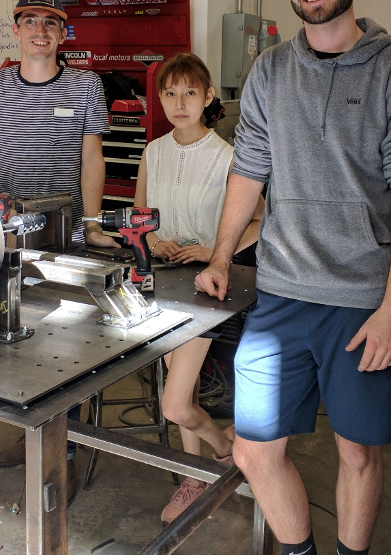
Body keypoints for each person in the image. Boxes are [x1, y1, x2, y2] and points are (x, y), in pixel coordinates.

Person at [196, 0, 391, 555]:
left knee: (357, 452)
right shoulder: (271, 71)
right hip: (281, 295)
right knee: (253, 449)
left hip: (361, 301)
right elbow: (249, 169)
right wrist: (221, 256)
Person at [0, 0, 120, 506]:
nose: (40, 31)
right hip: (10, 237)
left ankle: (63, 454)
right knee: (12, 338)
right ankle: (28, 433)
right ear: (16, 29)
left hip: (67, 236)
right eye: (30, 21)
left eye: (50, 23)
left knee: (67, 350)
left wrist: (93, 223)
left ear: (62, 33)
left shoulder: (85, 86)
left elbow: (92, 157)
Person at [132, 52, 262, 524]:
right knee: (180, 394)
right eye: (170, 93)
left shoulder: (229, 156)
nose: (180, 102)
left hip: (206, 289)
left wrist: (215, 251)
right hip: (161, 283)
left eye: (190, 92)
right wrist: (152, 238)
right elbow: (140, 218)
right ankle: (198, 473)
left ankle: (223, 448)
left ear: (208, 97)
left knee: (173, 404)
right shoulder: (153, 151)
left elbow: (262, 219)